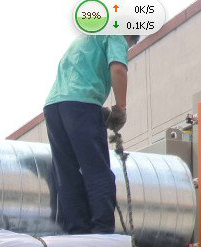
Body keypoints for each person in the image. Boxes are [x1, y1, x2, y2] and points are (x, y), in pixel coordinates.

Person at [43, 35, 138, 234]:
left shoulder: (85, 39)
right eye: (128, 47)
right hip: (81, 104)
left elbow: (76, 77)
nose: (125, 50)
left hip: (54, 107)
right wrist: (120, 108)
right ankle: (103, 230)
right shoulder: (116, 33)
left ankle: (78, 232)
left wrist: (93, 109)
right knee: (97, 170)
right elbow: (118, 69)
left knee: (67, 174)